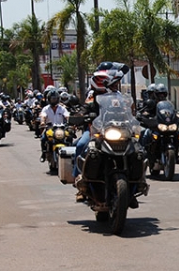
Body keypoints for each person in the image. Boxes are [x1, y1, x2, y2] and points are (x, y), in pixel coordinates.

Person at [73, 62, 128, 201]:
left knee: (137, 149)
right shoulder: (92, 96)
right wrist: (81, 116)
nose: (116, 86)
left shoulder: (118, 96)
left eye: (116, 84)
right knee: (81, 146)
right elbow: (84, 109)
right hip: (95, 131)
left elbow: (127, 111)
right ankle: (79, 181)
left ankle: (136, 182)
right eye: (114, 83)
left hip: (117, 130)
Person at [39, 90, 70, 162]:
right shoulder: (46, 108)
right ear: (49, 99)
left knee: (69, 137)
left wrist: (70, 121)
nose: (54, 100)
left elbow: (67, 115)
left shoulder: (62, 108)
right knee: (43, 139)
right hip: (50, 129)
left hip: (62, 128)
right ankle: (43, 153)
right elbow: (43, 116)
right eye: (52, 99)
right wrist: (43, 122)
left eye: (55, 98)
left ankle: (70, 154)